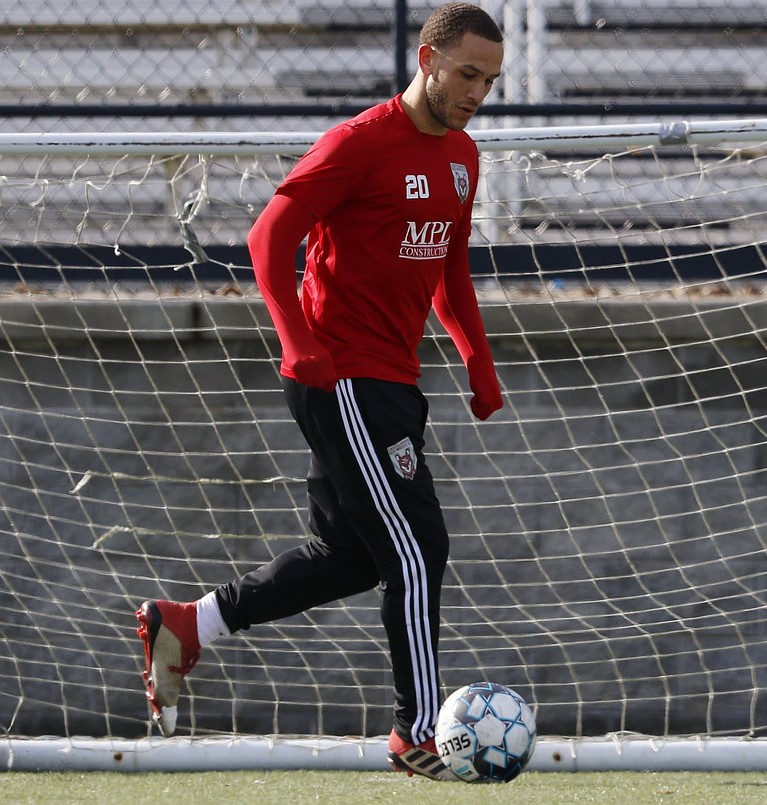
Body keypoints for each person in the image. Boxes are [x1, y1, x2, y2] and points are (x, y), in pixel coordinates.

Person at [135, 2, 504, 781]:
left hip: (393, 381)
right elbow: (268, 237)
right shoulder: (360, 142)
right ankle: (418, 731)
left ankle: (189, 623)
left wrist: (477, 358)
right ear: (429, 59)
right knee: (415, 545)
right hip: (340, 375)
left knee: (352, 553)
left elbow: (449, 269)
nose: (477, 91)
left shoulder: (464, 157)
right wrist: (299, 340)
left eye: (490, 80)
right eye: (468, 73)